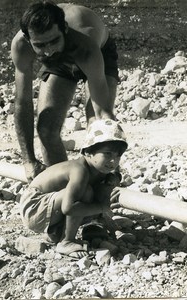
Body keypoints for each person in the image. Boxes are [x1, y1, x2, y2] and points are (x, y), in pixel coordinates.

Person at [11, 1, 120, 182]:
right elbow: (23, 102)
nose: (48, 50)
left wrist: (110, 164)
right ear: (28, 39)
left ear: (65, 30)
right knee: (46, 129)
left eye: (54, 41)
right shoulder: (21, 46)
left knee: (95, 122)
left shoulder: (86, 48)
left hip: (99, 52)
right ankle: (64, 183)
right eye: (40, 45)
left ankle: (102, 181)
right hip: (61, 62)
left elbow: (102, 112)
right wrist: (28, 161)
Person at [19, 119, 128, 259]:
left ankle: (57, 232)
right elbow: (69, 208)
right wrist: (102, 207)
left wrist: (113, 180)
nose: (113, 161)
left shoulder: (96, 169)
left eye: (118, 156)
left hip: (47, 207)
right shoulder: (79, 170)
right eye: (107, 154)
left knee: (95, 190)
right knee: (86, 192)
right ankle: (66, 241)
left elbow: (103, 187)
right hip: (34, 207)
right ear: (88, 152)